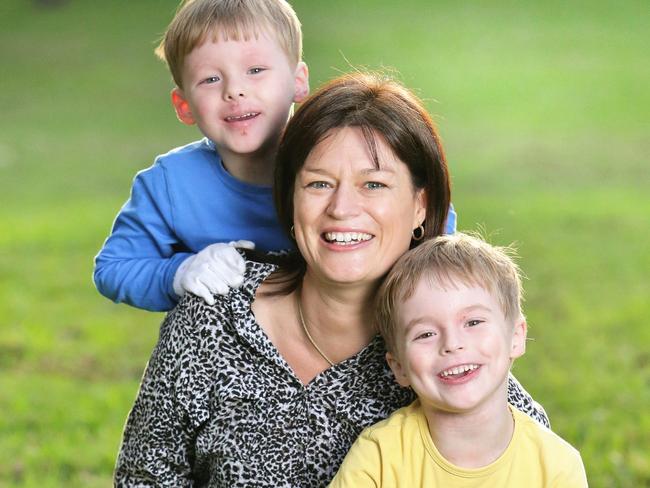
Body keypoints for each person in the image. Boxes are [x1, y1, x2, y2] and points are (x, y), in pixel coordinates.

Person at [114, 72, 546, 487]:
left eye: (373, 185)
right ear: (290, 199)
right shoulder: (211, 323)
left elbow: (537, 459)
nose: (342, 208)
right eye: (319, 184)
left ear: (420, 205)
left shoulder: (444, 356)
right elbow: (143, 479)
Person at [92, 0, 310, 311]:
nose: (234, 90)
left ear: (297, 82)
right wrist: (180, 272)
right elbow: (113, 269)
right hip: (222, 352)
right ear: (184, 106)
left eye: (256, 70)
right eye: (210, 79)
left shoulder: (333, 163)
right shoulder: (170, 184)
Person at [330, 233, 588, 487]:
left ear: (516, 337)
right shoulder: (379, 456)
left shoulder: (556, 466)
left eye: (473, 322)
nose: (452, 344)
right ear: (398, 366)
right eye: (426, 334)